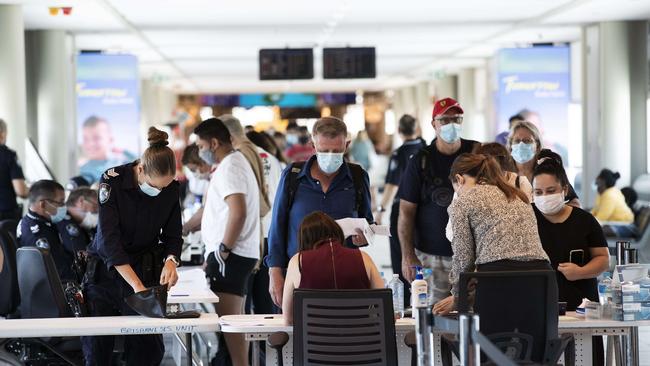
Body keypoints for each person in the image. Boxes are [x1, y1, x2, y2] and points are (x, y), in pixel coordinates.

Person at [82, 127, 182, 366]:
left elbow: (173, 233)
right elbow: (109, 241)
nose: (158, 192)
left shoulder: (170, 189)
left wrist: (171, 260)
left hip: (143, 266)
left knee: (148, 350)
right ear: (141, 169)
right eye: (154, 186)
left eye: (164, 187)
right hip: (107, 272)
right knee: (98, 350)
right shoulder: (112, 180)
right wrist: (138, 287)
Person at [266, 116, 373, 308]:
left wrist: (365, 236)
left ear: (346, 145)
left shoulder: (357, 177)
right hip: (298, 274)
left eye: (336, 151)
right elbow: (277, 225)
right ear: (313, 145)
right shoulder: (293, 176)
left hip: (345, 275)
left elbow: (367, 222)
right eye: (324, 150)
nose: (330, 156)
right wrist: (274, 272)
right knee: (297, 332)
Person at [433, 153, 550, 315]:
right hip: (542, 278)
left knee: (493, 340)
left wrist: (458, 299)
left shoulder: (463, 202)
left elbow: (463, 258)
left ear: (459, 179)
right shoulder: (517, 196)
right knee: (534, 340)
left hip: (499, 280)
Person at [398, 97, 479, 305]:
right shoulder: (420, 160)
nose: (451, 124)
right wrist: (408, 256)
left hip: (475, 257)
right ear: (434, 124)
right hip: (431, 257)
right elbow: (406, 212)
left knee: (475, 315)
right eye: (445, 120)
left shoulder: (477, 154)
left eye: (457, 119)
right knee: (433, 317)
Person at [195, 118, 260, 366]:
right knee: (235, 321)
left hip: (231, 255)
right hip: (234, 254)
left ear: (213, 143)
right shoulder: (233, 164)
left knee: (231, 323)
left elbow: (238, 211)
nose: (201, 151)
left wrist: (223, 250)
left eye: (201, 146)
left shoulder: (231, 166)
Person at [532, 157, 609, 365]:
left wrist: (581, 272)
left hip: (581, 307)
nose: (544, 197)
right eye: (538, 192)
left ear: (564, 189)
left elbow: (603, 259)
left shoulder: (584, 220)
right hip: (540, 307)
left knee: (587, 358)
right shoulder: (526, 218)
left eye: (550, 190)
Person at [282, 211, 384, 324]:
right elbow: (385, 309)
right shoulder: (364, 258)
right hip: (360, 339)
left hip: (314, 339)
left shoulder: (297, 262)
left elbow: (288, 318)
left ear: (305, 239)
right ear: (337, 232)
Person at [376, 114, 426, 304]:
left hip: (402, 209)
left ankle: (405, 300)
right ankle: (423, 295)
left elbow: (392, 184)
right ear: (417, 128)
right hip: (424, 208)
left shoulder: (400, 153)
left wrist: (380, 210)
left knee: (401, 255)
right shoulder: (426, 149)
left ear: (399, 130)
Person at [245, 130, 283, 317]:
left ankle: (247, 346)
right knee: (265, 302)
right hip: (271, 235)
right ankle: (266, 345)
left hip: (248, 238)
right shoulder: (273, 161)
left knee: (244, 302)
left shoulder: (242, 158)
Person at [17, 180, 76, 282]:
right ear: (43, 204)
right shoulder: (35, 232)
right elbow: (56, 271)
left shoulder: (45, 222)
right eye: (60, 202)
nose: (63, 207)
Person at [78, 116, 137, 185]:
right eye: (86, 139)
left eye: (96, 138)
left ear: (110, 140)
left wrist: (123, 151)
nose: (91, 144)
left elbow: (139, 162)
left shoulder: (119, 163)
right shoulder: (84, 169)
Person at [181, 144, 213, 236]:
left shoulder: (216, 178)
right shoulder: (210, 180)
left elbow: (205, 210)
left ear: (203, 162)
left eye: (193, 169)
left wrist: (185, 227)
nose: (195, 174)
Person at [57, 188, 98, 257]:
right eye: (95, 206)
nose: (97, 211)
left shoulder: (80, 224)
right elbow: (82, 253)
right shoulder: (65, 223)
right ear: (81, 201)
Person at [0, 118, 28, 220]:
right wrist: (33, 190)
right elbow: (21, 191)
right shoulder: (9, 155)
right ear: (2, 134)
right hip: (5, 217)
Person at [507, 120, 541, 185]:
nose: (521, 145)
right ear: (510, 145)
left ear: (537, 145)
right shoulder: (503, 175)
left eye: (527, 140)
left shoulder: (547, 173)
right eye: (517, 141)